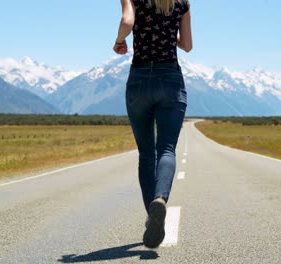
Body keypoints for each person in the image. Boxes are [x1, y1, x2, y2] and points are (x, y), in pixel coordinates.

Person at [113, 0, 192, 248]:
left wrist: (119, 40)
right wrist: (169, 36)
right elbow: (187, 45)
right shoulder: (182, 3)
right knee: (167, 149)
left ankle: (151, 214)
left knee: (146, 154)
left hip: (139, 79)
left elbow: (128, 21)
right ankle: (160, 199)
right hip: (170, 78)